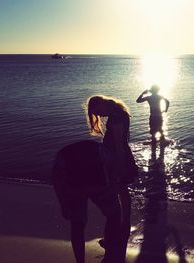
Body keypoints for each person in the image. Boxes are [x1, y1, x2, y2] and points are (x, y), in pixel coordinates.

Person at [53, 95, 137, 263]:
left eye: (98, 111)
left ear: (102, 103)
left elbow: (120, 146)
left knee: (116, 194)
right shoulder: (119, 114)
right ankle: (121, 227)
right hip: (110, 160)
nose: (99, 116)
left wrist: (119, 167)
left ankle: (119, 230)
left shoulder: (116, 118)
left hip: (114, 160)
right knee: (120, 193)